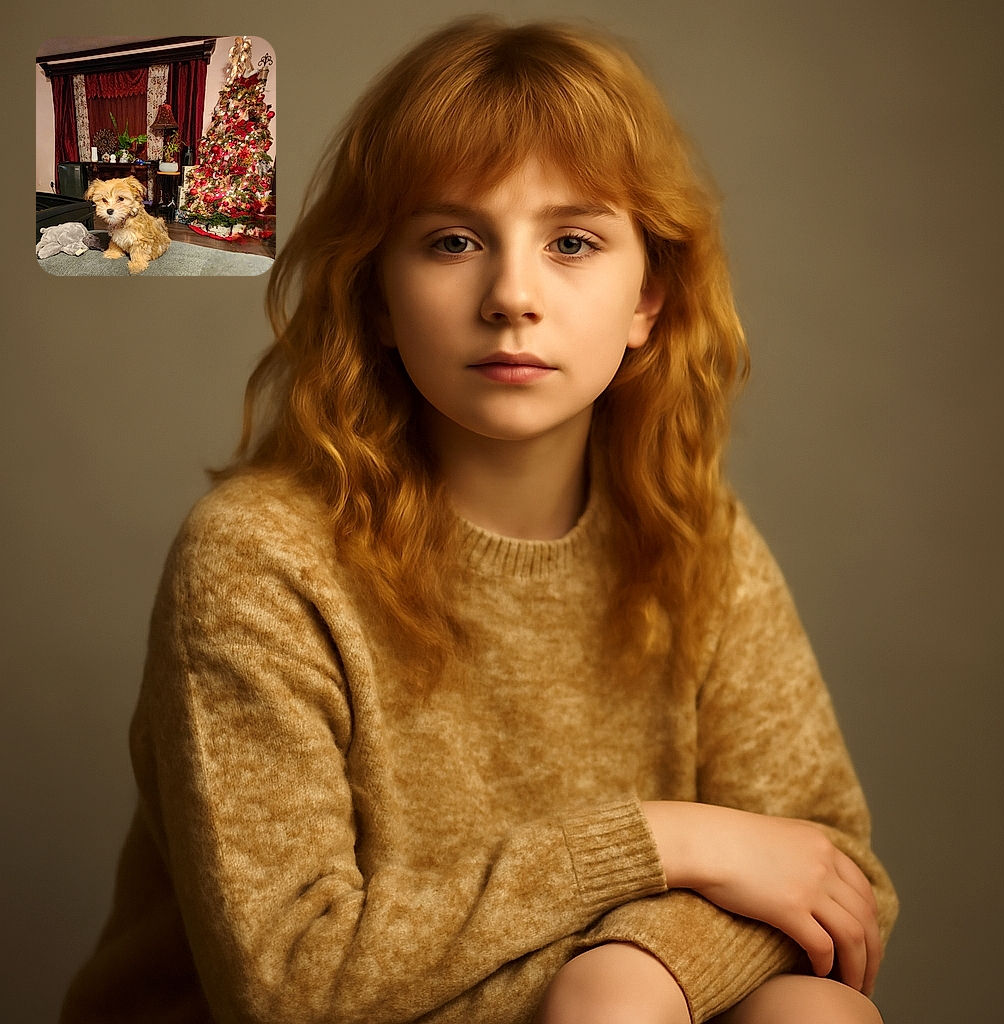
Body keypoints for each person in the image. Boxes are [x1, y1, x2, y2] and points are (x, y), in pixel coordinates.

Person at [61, 18, 897, 1024]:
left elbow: (832, 875)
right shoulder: (257, 557)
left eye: (573, 242)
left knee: (814, 1014)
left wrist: (635, 970)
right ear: (375, 292)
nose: (511, 297)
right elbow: (294, 985)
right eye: (453, 241)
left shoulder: (695, 539)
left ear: (648, 300)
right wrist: (659, 846)